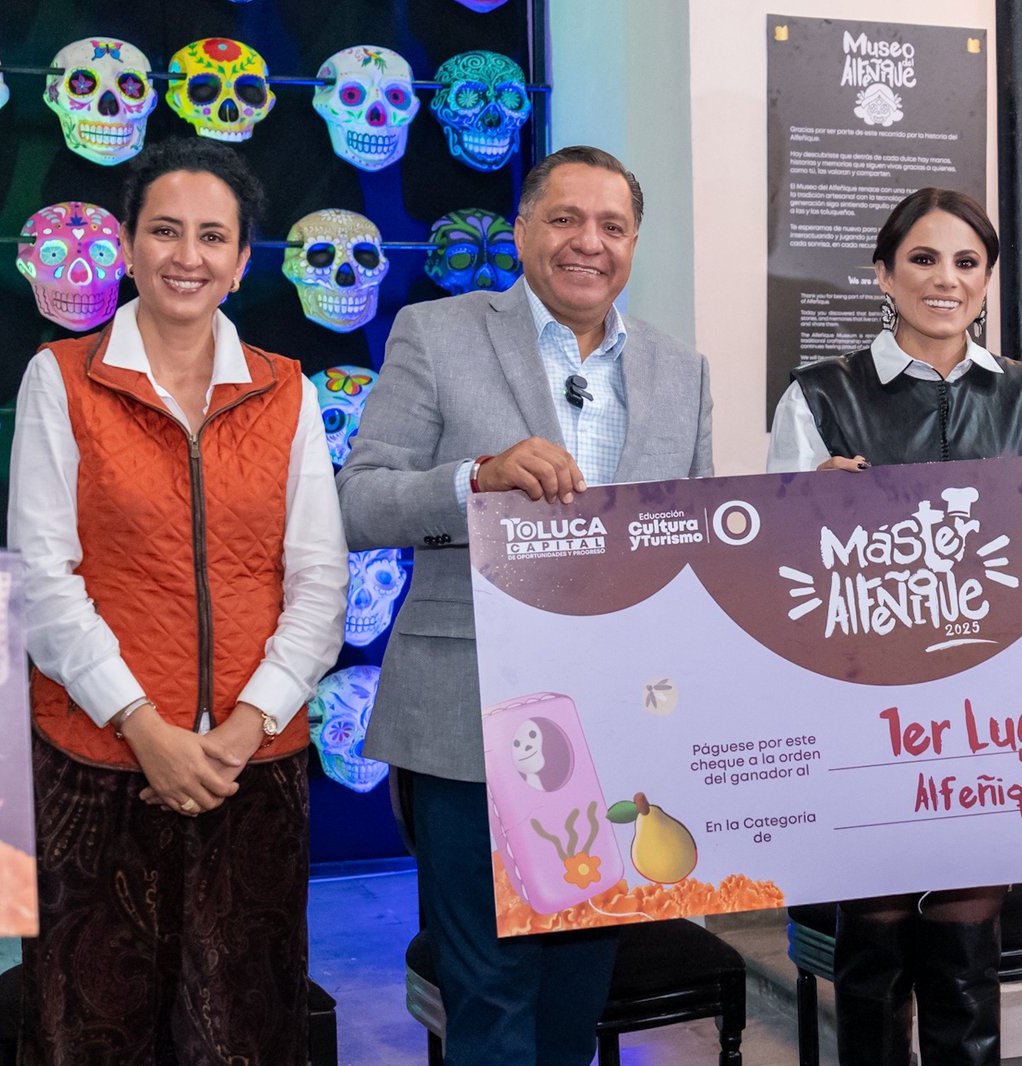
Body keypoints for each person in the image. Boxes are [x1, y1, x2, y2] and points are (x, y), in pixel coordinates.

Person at [337, 144, 713, 1065]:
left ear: (634, 245)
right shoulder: (438, 333)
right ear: (521, 230)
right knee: (491, 1000)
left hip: (615, 728)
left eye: (613, 226)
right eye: (565, 218)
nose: (590, 242)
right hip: (466, 719)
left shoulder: (682, 370)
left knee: (573, 1005)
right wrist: (475, 478)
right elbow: (358, 503)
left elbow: (695, 549)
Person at [7, 138, 348, 1065]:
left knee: (245, 1031)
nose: (186, 255)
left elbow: (320, 581)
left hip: (254, 769)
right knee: (94, 1030)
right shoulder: (62, 378)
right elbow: (43, 579)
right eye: (164, 231)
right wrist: (144, 727)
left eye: (212, 236)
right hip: (97, 764)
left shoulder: (285, 390)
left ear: (241, 262)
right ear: (127, 246)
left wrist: (243, 727)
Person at [768, 187, 1022, 1066]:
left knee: (965, 948)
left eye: (966, 262)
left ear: (986, 282)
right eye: (923, 258)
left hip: (992, 712)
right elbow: (777, 576)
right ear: (883, 273)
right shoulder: (818, 395)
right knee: (871, 946)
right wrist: (801, 508)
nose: (945, 279)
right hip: (861, 708)